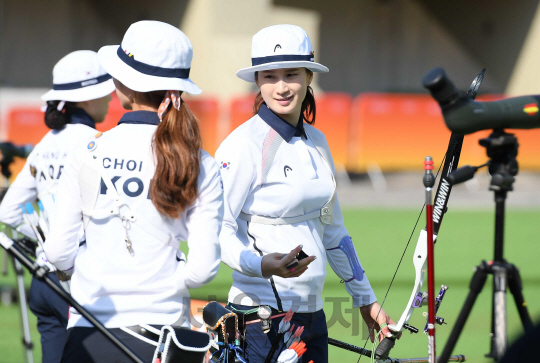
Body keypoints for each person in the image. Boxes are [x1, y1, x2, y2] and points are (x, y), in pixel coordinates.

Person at [43, 20, 223, 362]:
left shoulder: (87, 152)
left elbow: (57, 253)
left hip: (90, 330)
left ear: (123, 84)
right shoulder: (201, 161)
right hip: (164, 337)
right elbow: (201, 272)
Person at [215, 24, 396, 363]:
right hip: (260, 320)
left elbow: (334, 230)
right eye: (269, 76)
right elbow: (216, 229)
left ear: (309, 76)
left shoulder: (318, 141)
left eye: (291, 74)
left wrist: (365, 299)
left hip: (313, 317)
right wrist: (262, 265)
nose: (281, 87)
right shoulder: (241, 146)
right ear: (257, 81)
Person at [0, 50, 115, 363]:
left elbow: (7, 212)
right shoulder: (99, 142)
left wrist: (46, 240)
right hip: (79, 283)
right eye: (106, 91)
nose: (111, 97)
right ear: (88, 98)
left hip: (43, 283)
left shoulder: (45, 144)